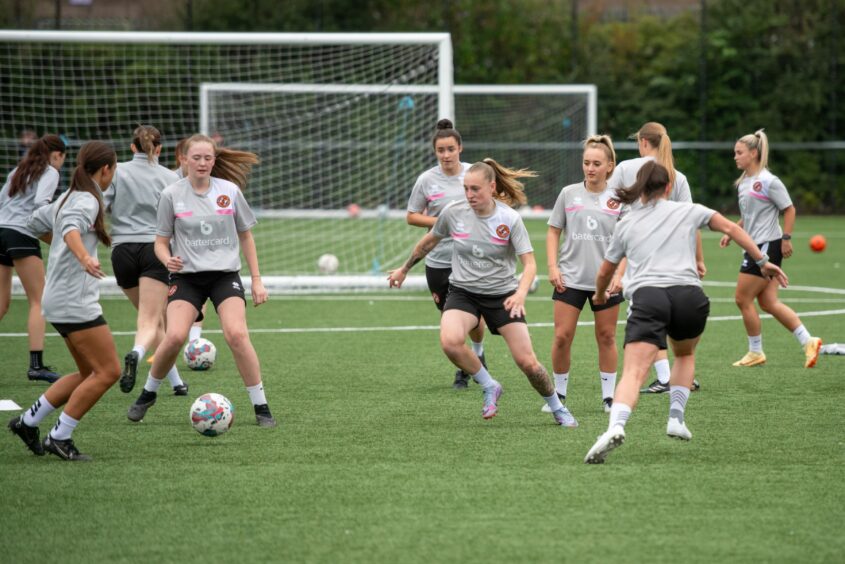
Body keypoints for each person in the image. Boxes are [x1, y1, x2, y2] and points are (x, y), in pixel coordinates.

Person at [584, 162, 788, 464]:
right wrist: (762, 261)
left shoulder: (627, 222)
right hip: (689, 297)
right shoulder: (688, 210)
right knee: (684, 355)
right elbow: (732, 227)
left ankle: (615, 426)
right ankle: (676, 418)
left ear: (640, 189)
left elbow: (605, 270)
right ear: (668, 188)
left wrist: (600, 294)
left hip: (649, 297)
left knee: (634, 371)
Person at [388, 159, 577, 427]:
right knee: (450, 341)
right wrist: (404, 269)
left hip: (502, 295)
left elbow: (531, 264)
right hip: (463, 292)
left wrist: (521, 292)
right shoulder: (454, 213)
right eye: (466, 189)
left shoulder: (509, 219)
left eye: (475, 189)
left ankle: (557, 406)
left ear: (491, 187)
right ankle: (489, 384)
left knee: (528, 363)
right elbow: (428, 242)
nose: (469, 195)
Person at [126, 134, 277, 427]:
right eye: (196, 157)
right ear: (183, 159)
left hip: (224, 276)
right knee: (174, 337)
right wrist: (165, 258)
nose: (203, 163)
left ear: (214, 160)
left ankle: (261, 406)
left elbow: (246, 235)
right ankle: (148, 393)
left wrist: (256, 280)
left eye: (208, 158)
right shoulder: (171, 194)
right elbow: (160, 241)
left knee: (237, 335)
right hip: (187, 278)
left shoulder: (229, 191)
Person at [8, 141, 122, 461]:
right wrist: (84, 256)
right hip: (74, 302)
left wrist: (60, 242)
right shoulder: (86, 200)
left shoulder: (66, 197)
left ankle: (28, 421)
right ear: (105, 170)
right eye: (113, 170)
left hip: (56, 300)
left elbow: (32, 222)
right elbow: (71, 228)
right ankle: (60, 436)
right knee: (109, 371)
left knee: (88, 372)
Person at [607, 121, 704, 394]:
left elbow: (609, 208)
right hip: (676, 256)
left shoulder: (626, 168)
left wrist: (615, 267)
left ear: (643, 142)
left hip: (639, 254)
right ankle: (680, 373)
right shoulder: (678, 175)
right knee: (672, 314)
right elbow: (692, 220)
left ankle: (664, 377)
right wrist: (699, 259)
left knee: (644, 314)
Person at [721, 129, 822, 368]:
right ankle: (808, 341)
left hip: (768, 245)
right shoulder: (744, 183)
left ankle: (756, 351)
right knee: (767, 302)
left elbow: (789, 209)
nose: (735, 157)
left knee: (742, 298)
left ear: (753, 153)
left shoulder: (768, 181)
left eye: (739, 152)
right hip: (754, 244)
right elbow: (748, 216)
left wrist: (786, 238)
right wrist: (732, 232)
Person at [542, 135, 623, 421]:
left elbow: (628, 240)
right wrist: (553, 267)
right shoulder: (568, 193)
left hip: (606, 281)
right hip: (570, 278)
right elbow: (553, 231)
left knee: (607, 336)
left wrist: (620, 274)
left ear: (609, 166)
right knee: (562, 337)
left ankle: (609, 397)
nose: (590, 168)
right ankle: (559, 395)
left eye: (597, 164)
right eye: (586, 163)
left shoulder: (620, 197)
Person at [104, 125, 187, 395]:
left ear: (132, 147)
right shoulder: (169, 177)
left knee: (153, 323)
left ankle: (176, 383)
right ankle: (137, 354)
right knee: (151, 323)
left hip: (122, 251)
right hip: (155, 250)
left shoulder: (117, 171)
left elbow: (101, 206)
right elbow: (180, 216)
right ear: (159, 149)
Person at [406, 119, 487, 389]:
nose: (446, 155)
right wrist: (442, 223)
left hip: (470, 259)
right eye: (441, 150)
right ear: (435, 152)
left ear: (460, 148)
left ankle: (472, 360)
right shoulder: (427, 180)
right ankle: (468, 363)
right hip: (439, 261)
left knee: (473, 316)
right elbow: (412, 216)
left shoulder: (473, 174)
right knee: (449, 317)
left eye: (450, 149)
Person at [0, 134, 67, 383]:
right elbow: (41, 205)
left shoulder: (18, 170)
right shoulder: (50, 172)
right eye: (62, 159)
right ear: (57, 155)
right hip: (20, 234)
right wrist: (60, 230)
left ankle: (37, 366)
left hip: (1, 231)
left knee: (1, 303)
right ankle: (36, 366)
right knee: (39, 301)